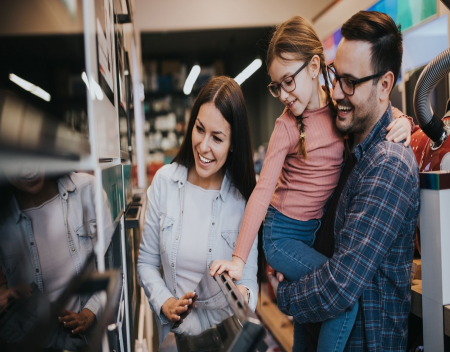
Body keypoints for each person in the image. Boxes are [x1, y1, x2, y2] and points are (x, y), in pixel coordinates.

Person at [210, 15, 414, 352]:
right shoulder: (294, 126)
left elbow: (340, 287)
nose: (284, 95)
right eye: (277, 86)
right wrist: (239, 259)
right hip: (285, 237)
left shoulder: (360, 134)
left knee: (333, 303)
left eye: (289, 82)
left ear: (315, 66)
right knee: (328, 314)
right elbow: (262, 192)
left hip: (318, 259)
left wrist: (405, 121)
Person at [268, 11, 420, 352]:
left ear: (384, 85)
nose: (335, 91)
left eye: (349, 82)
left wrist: (284, 295)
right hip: (314, 331)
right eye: (335, 75)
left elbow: (340, 285)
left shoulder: (389, 164)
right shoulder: (346, 140)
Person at [137, 76, 258, 345]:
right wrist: (165, 302)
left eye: (217, 138)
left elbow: (249, 279)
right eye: (200, 129)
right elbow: (146, 262)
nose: (203, 146)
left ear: (233, 143)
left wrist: (242, 295)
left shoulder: (243, 200)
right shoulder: (164, 182)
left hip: (224, 338)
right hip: (174, 337)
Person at [0, 166, 113, 350]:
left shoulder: (87, 189)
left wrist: (90, 311)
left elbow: (113, 266)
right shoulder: (3, 216)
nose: (29, 168)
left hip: (90, 341)